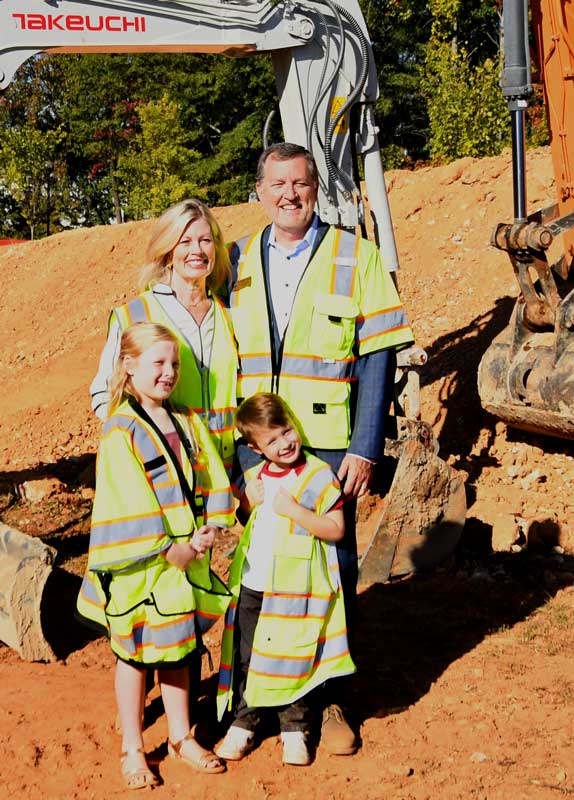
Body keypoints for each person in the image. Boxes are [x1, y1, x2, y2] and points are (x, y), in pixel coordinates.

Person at [227, 142, 414, 755]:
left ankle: (332, 700)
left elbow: (378, 355)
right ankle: (254, 702)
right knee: (261, 574)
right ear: (260, 192)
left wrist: (365, 447)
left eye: (301, 183)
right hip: (257, 448)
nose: (290, 194)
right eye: (278, 183)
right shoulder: (236, 262)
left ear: (316, 187)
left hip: (328, 450)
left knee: (332, 574)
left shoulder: (354, 255)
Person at [77, 322, 235, 788]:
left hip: (183, 563)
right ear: (128, 366)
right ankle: (133, 747)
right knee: (134, 655)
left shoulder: (186, 420)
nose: (168, 373)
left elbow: (208, 477)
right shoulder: (120, 429)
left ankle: (182, 736)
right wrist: (172, 549)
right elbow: (126, 501)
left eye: (174, 364)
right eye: (158, 363)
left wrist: (209, 527)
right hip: (141, 565)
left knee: (179, 648)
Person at [216, 393, 355, 766]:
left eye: (286, 431)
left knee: (294, 656)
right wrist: (246, 501)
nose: (284, 443)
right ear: (254, 448)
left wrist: (295, 511)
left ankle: (295, 727)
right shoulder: (256, 478)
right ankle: (245, 721)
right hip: (253, 582)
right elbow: (250, 523)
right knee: (249, 656)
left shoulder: (317, 475)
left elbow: (336, 529)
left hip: (295, 590)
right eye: (271, 440)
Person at [90, 199, 238, 473]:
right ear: (168, 251)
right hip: (168, 470)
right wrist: (148, 445)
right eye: (185, 241)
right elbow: (104, 395)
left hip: (226, 470)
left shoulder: (230, 314)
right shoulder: (135, 314)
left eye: (205, 240)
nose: (197, 250)